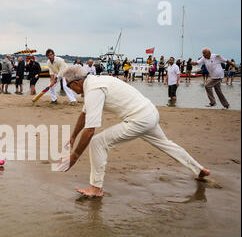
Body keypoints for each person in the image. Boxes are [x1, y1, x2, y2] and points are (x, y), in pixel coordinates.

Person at [58, 65, 210, 197]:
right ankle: (199, 169)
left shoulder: (93, 89)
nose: (71, 90)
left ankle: (96, 188)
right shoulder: (97, 81)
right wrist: (73, 136)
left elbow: (90, 130)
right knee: (166, 144)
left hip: (139, 119)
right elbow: (84, 115)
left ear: (77, 82)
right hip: (151, 113)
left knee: (98, 142)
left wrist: (74, 157)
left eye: (69, 86)